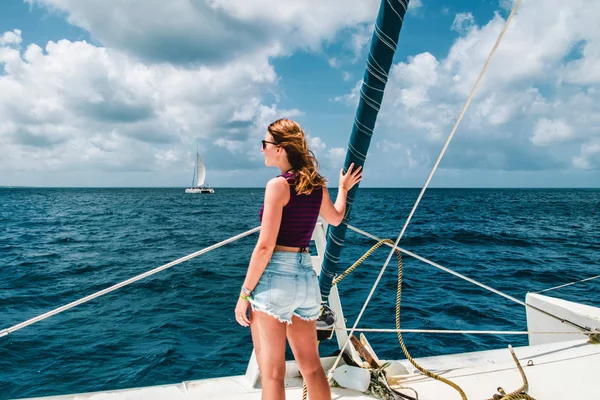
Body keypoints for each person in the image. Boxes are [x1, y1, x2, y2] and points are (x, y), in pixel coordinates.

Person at [234, 118, 362, 400]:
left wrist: (244, 295)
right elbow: (336, 218)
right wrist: (343, 189)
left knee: (273, 375)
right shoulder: (316, 185)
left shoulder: (278, 186)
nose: (262, 149)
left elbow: (265, 246)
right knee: (312, 368)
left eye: (265, 144)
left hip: (275, 278)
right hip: (306, 279)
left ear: (280, 149)